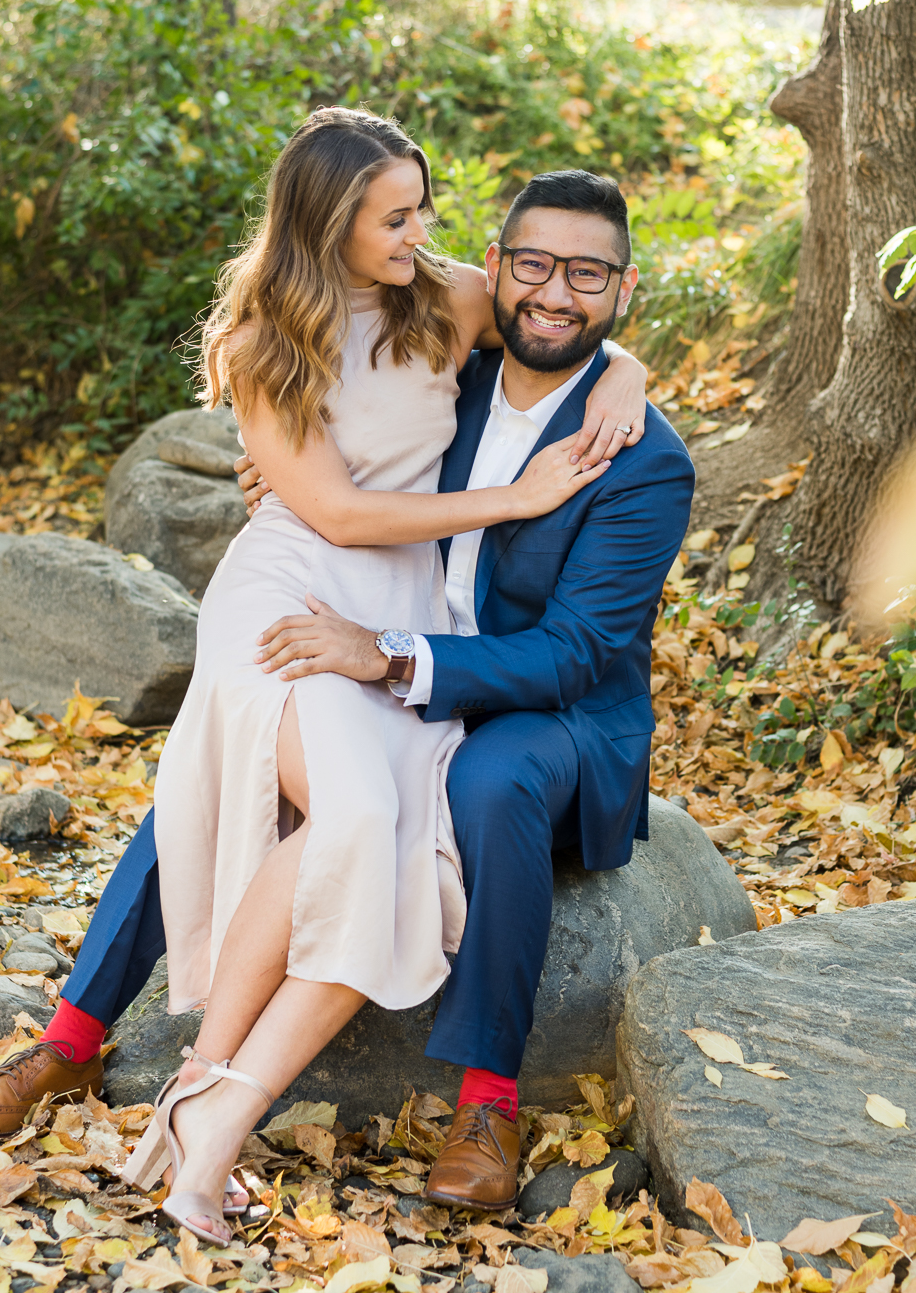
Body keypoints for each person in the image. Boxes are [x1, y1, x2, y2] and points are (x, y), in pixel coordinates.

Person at [0, 112, 649, 1230]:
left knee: (334, 821)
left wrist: (626, 372)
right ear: (330, 223)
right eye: (396, 217)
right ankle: (89, 1046)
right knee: (301, 797)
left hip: (394, 612)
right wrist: (519, 494)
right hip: (296, 594)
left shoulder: (441, 295)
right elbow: (340, 508)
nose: (421, 233)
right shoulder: (268, 339)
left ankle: (197, 1107)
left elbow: (551, 305)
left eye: (424, 211)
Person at [239, 169, 696, 1206]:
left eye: (588, 275)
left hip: (560, 720)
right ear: (494, 269)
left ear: (623, 290)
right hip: (404, 681)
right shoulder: (448, 377)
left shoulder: (641, 457)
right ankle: (74, 1034)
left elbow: (575, 652)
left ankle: (487, 1102)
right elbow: (346, 460)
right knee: (248, 723)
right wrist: (281, 464)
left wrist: (388, 655)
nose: (554, 292)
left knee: (491, 781)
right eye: (532, 264)